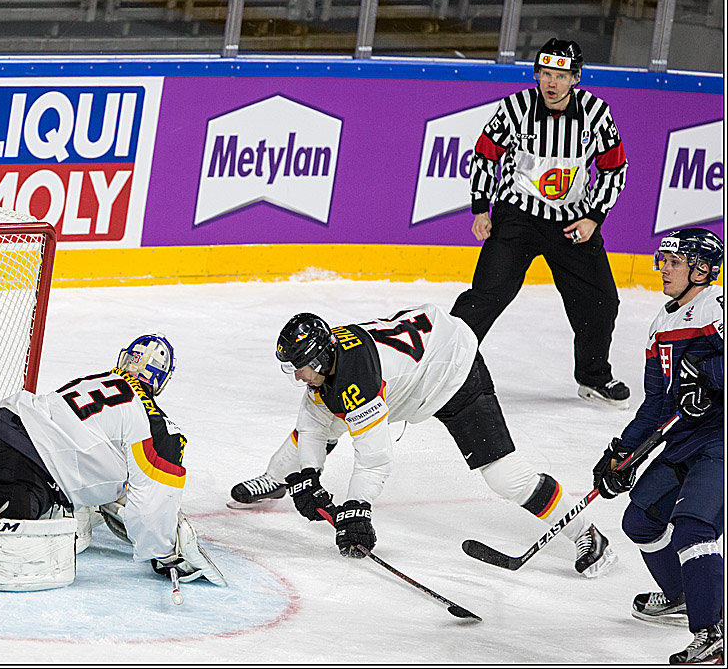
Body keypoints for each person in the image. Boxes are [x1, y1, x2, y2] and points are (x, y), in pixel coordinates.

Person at [231, 304, 615, 577]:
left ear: (317, 360)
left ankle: (586, 532)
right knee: (319, 420)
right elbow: (313, 423)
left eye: (298, 369)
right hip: (415, 371)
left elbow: (374, 460)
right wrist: (307, 476)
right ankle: (277, 478)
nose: (296, 377)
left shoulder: (357, 379)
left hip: (454, 372)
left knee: (505, 476)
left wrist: (356, 507)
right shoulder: (331, 359)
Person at [0, 334, 225, 590]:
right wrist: (162, 553)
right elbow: (153, 502)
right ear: (162, 379)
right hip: (18, 470)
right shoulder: (159, 427)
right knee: (25, 556)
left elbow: (77, 444)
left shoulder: (92, 382)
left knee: (68, 533)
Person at [450, 38, 631, 408]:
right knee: (486, 295)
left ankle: (594, 378)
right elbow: (486, 156)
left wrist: (594, 217)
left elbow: (614, 167)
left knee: (600, 301)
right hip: (518, 219)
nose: (551, 83)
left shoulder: (597, 113)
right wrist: (481, 209)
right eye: (545, 73)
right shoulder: (514, 107)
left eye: (560, 75)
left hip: (572, 223)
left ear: (575, 78)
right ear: (536, 74)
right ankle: (443, 367)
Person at [592, 228, 723, 664]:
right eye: (662, 260)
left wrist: (708, 374)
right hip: (686, 441)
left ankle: (713, 629)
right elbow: (658, 403)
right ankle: (684, 595)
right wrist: (621, 453)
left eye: (675, 261)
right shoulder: (661, 325)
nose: (664, 267)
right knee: (642, 519)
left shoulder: (717, 305)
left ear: (701, 268)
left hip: (721, 438)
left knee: (693, 528)